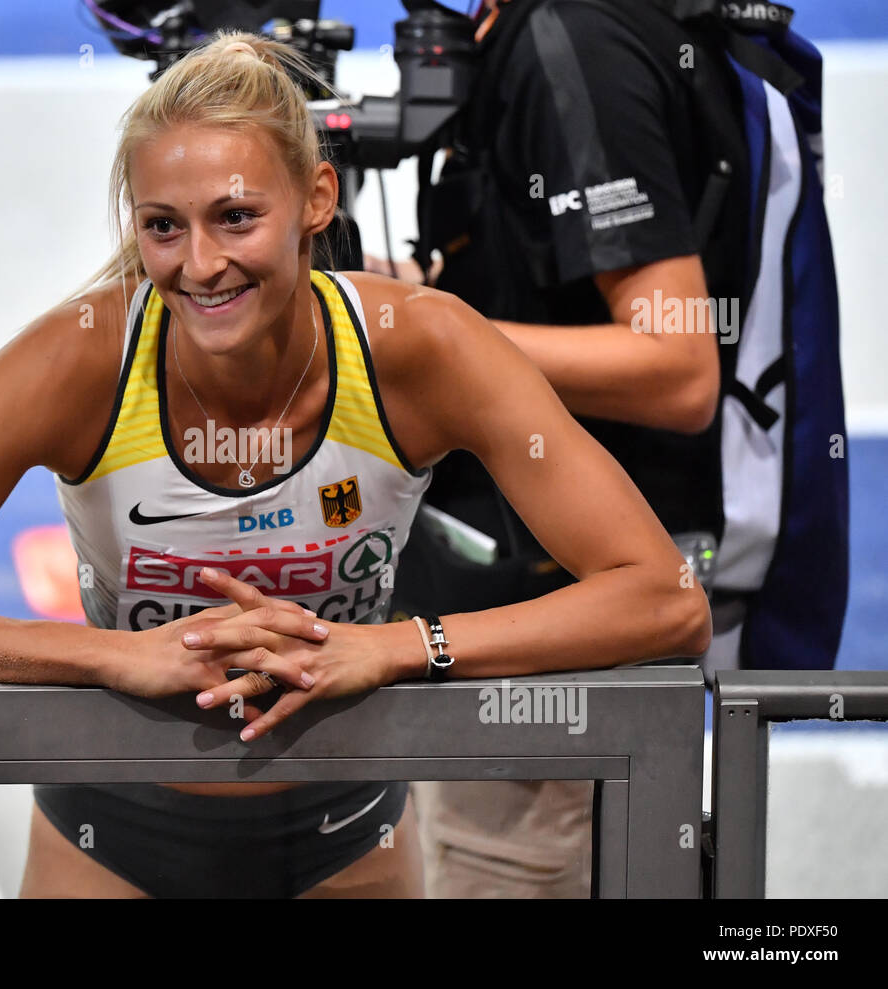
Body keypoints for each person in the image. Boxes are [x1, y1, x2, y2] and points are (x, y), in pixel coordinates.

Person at [0, 29, 711, 899]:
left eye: (235, 217)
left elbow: (665, 598)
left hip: (349, 842)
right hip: (105, 843)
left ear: (317, 200)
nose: (200, 265)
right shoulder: (77, 363)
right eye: (163, 227)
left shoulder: (422, 348)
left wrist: (394, 646)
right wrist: (109, 658)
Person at [372, 0, 753, 897]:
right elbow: (556, 272)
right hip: (537, 618)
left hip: (565, 642)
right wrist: (426, 295)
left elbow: (676, 366)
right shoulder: (554, 31)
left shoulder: (573, 39)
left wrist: (431, 337)